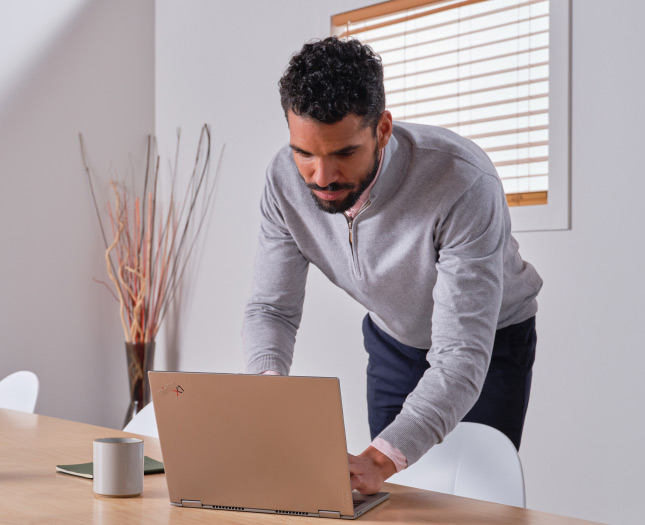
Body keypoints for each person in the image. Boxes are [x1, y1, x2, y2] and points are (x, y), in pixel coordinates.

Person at [242, 37, 542, 495]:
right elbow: (271, 309)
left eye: (344, 153)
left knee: (477, 502)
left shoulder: (461, 180)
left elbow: (459, 356)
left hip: (489, 343)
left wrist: (382, 458)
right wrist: (269, 395)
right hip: (394, 341)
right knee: (391, 500)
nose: (320, 178)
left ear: (382, 129)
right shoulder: (284, 181)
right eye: (305, 153)